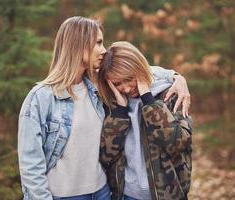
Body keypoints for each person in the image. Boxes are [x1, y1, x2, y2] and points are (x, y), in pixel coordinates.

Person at [18, 16, 190, 200]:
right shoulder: (42, 98)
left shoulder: (97, 88)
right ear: (78, 45)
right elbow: (30, 165)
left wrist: (176, 77)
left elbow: (136, 69)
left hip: (102, 193)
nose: (104, 49)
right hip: (63, 196)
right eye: (98, 43)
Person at [98, 41, 193, 200]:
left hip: (167, 195)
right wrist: (120, 112)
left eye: (129, 79)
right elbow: (106, 155)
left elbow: (179, 144)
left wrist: (149, 102)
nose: (126, 88)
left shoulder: (170, 93)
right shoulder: (111, 103)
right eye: (117, 83)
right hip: (126, 195)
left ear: (138, 68)